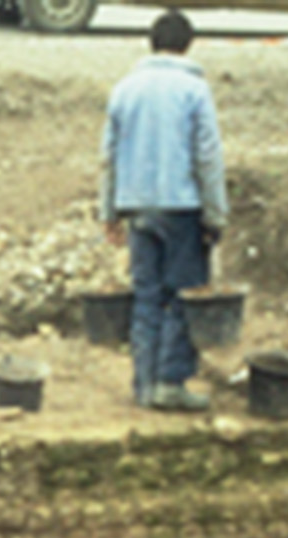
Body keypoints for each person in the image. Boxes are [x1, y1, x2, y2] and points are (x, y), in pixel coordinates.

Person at [100, 10, 227, 415]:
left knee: (147, 297)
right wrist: (216, 214)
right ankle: (170, 382)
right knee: (183, 295)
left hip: (137, 206)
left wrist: (109, 212)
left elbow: (109, 157)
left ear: (151, 44)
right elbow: (207, 156)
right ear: (188, 45)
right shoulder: (194, 89)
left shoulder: (124, 89)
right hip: (181, 206)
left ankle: (143, 384)